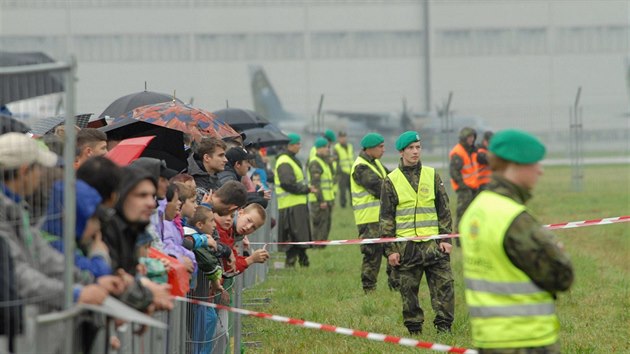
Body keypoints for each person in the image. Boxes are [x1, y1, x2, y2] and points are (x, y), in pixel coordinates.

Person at [459, 129, 574, 354]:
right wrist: (555, 250)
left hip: (489, 338)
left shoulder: (475, 210)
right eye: (534, 164)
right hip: (526, 340)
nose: (540, 171)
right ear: (515, 166)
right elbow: (562, 276)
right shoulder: (514, 218)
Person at [380, 131, 454, 335]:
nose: (415, 152)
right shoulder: (391, 180)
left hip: (434, 247)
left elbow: (444, 210)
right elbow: (386, 218)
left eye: (418, 147)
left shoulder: (432, 175)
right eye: (411, 148)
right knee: (408, 292)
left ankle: (444, 327)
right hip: (407, 249)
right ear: (402, 151)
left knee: (444, 287)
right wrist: (391, 250)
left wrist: (446, 238)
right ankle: (414, 329)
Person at [350, 132, 393, 293]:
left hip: (382, 218)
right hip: (369, 220)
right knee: (372, 255)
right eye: (380, 147)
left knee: (392, 250)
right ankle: (369, 290)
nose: (384, 150)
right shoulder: (360, 167)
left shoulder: (376, 164)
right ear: (370, 149)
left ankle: (395, 287)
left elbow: (392, 180)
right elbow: (380, 187)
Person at [275, 133, 316, 267]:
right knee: (294, 237)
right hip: (290, 206)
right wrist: (306, 189)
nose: (299, 146)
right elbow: (287, 183)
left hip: (296, 204)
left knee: (299, 237)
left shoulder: (290, 159)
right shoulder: (284, 161)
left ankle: (303, 260)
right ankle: (292, 263)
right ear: (290, 145)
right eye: (297, 144)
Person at [449, 127, 479, 235]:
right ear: (464, 138)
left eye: (473, 137)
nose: (471, 139)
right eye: (469, 137)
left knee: (474, 213)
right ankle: (459, 236)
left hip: (474, 187)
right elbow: (454, 172)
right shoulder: (458, 152)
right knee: (462, 212)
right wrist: (462, 186)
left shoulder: (472, 150)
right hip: (464, 189)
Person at [308, 137, 335, 244]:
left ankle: (322, 245)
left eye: (327, 147)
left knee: (326, 225)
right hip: (319, 200)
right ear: (318, 149)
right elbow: (316, 184)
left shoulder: (324, 162)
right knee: (319, 225)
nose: (327, 149)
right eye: (324, 147)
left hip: (327, 200)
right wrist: (321, 200)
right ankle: (317, 246)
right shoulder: (315, 162)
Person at [186, 137, 228, 202]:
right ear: (207, 158)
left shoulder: (214, 176)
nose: (226, 160)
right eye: (220, 155)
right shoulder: (191, 179)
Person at [333, 131, 354, 208]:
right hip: (342, 172)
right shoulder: (336, 148)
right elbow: (336, 161)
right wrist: (339, 171)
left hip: (350, 170)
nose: (343, 139)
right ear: (339, 138)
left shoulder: (350, 146)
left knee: (352, 189)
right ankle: (343, 204)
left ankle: (353, 203)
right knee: (342, 190)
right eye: (341, 137)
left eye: (344, 137)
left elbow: (351, 158)